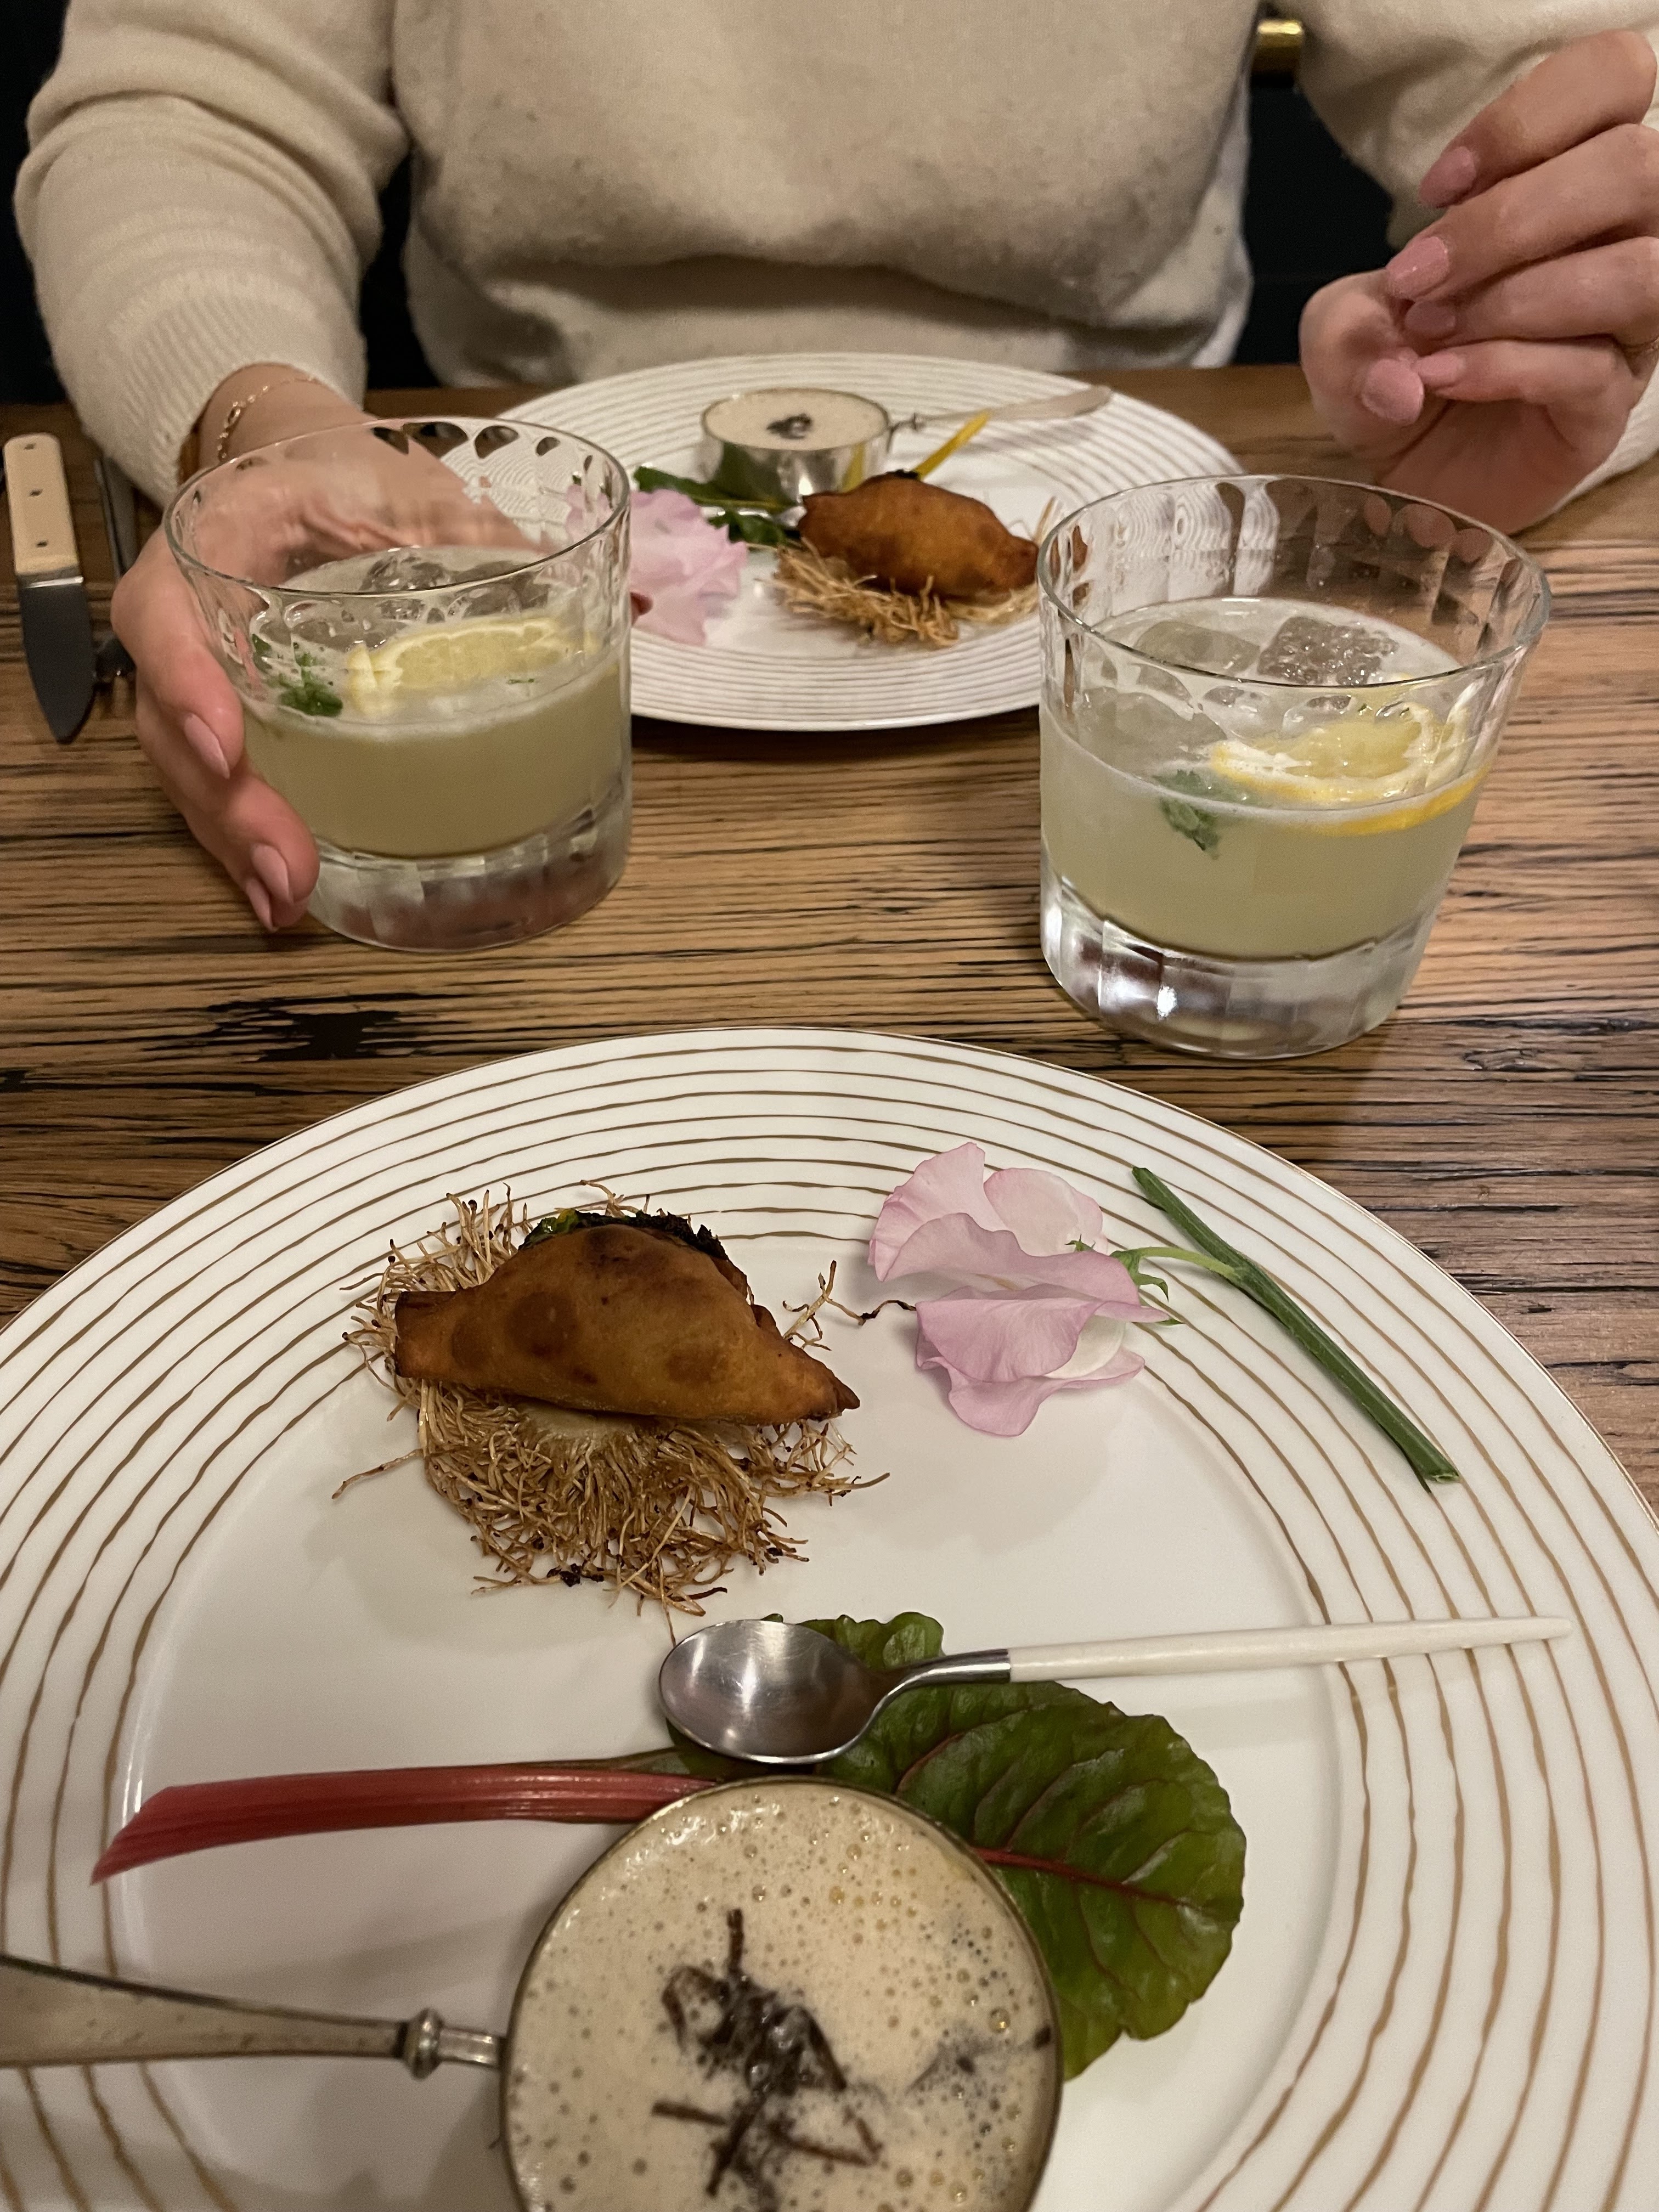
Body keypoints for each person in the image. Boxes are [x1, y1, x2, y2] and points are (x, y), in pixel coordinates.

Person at [16, 4, 1659, 932]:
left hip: (1139, 678)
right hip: (485, 556)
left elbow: (1580, 96)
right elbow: (184, 106)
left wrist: (1554, 335)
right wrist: (256, 420)